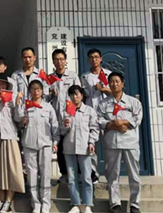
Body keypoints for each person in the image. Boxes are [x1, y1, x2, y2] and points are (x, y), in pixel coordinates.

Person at [96, 72, 143, 213]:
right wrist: (113, 125)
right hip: (112, 143)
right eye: (111, 81)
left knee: (134, 174)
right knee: (112, 174)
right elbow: (98, 120)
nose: (114, 84)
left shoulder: (133, 102)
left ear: (123, 84)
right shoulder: (103, 104)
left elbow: (138, 118)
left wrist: (123, 122)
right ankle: (115, 204)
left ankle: (135, 204)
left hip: (130, 142)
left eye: (117, 81)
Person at [16, 80, 59, 213]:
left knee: (45, 173)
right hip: (29, 143)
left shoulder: (48, 107)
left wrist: (55, 142)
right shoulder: (26, 106)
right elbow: (18, 124)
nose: (35, 91)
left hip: (45, 143)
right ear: (30, 91)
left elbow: (55, 126)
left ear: (42, 91)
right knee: (32, 174)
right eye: (33, 89)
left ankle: (46, 204)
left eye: (38, 89)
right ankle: (36, 203)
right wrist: (22, 122)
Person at [60, 85, 99, 213]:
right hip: (69, 147)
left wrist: (91, 142)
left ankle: (88, 204)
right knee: (72, 178)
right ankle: (75, 204)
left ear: (82, 95)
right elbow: (61, 131)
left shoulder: (89, 111)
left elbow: (94, 128)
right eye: (72, 94)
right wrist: (65, 126)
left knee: (86, 177)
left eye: (77, 94)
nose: (74, 97)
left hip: (84, 148)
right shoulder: (66, 111)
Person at [0, 74, 24, 213]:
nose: (0, 86)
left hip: (9, 135)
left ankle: (8, 202)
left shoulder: (11, 98)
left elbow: (18, 118)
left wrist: (17, 103)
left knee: (11, 169)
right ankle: (1, 200)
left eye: (3, 83)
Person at [48, 49, 80, 182]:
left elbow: (78, 95)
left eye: (61, 59)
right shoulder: (50, 78)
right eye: (56, 59)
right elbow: (43, 98)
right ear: (53, 61)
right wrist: (50, 94)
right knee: (60, 147)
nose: (59, 62)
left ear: (65, 61)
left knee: (74, 144)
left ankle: (78, 174)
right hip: (56, 118)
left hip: (70, 116)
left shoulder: (72, 76)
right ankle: (64, 174)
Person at [80, 48, 111, 184]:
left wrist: (103, 89)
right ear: (88, 60)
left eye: (96, 57)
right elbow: (82, 96)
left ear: (101, 59)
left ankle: (110, 174)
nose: (94, 59)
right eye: (91, 57)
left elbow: (116, 92)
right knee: (91, 144)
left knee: (109, 145)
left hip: (106, 114)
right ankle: (94, 173)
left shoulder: (108, 74)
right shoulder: (84, 77)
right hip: (91, 115)